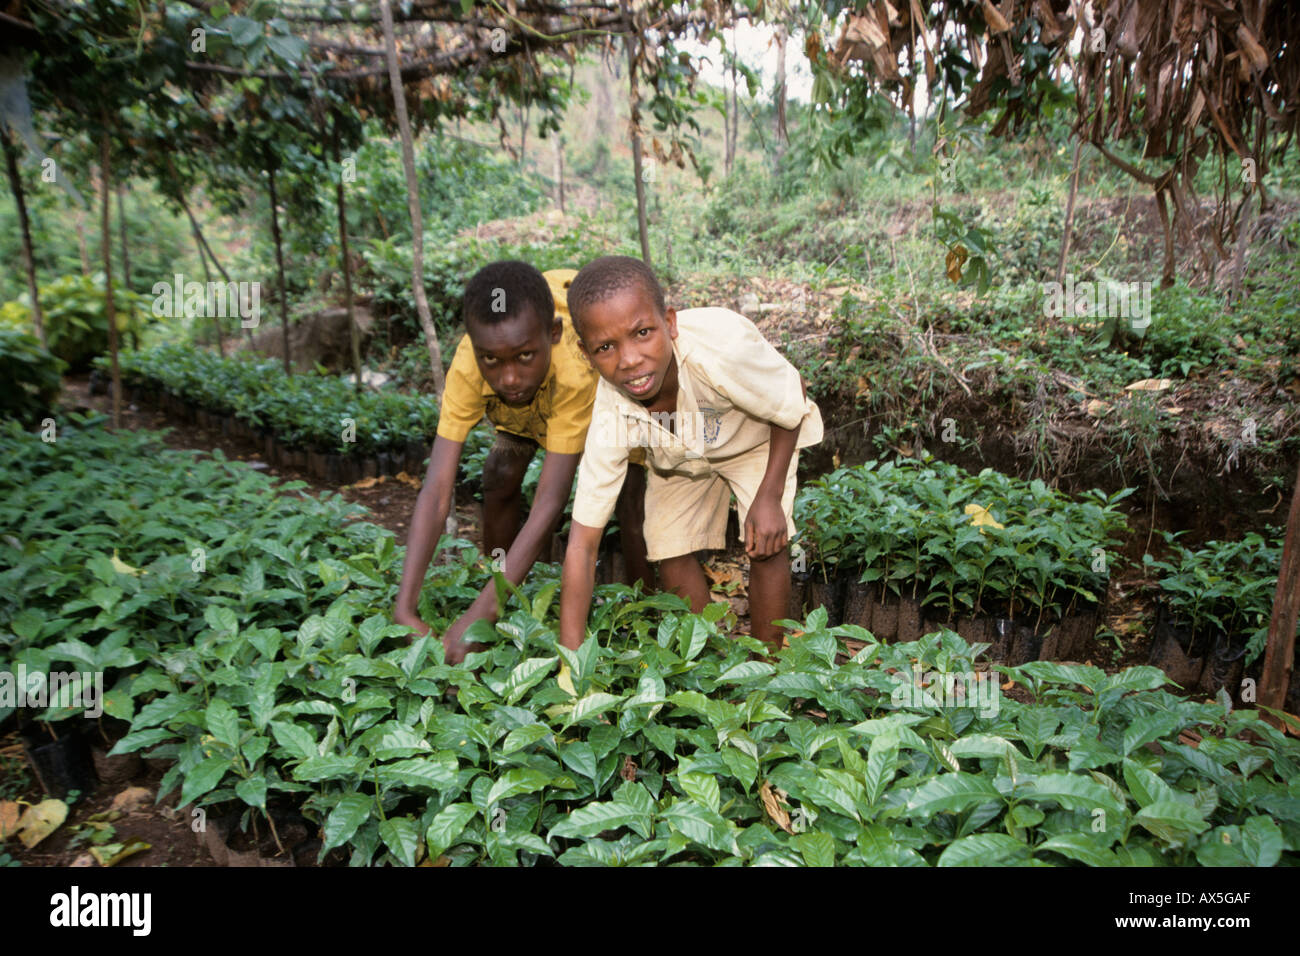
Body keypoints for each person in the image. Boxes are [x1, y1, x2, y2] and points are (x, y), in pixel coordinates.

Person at [559, 255, 822, 652]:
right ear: (586, 353)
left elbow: (791, 397)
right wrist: (570, 660)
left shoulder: (722, 351)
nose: (629, 359)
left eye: (643, 332)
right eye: (606, 347)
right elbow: (582, 543)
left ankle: (766, 668)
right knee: (668, 546)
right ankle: (709, 659)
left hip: (752, 440)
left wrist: (768, 497)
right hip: (678, 461)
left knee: (766, 542)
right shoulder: (612, 409)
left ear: (670, 322)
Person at [394, 260, 649, 664]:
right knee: (499, 473)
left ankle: (643, 613)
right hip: (526, 410)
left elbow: (551, 500)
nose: (509, 377)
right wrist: (403, 610)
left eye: (523, 357)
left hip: (604, 402)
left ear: (551, 336)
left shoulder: (574, 368)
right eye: (492, 361)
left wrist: (479, 616)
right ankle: (504, 582)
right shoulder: (475, 360)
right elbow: (437, 487)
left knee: (634, 500)